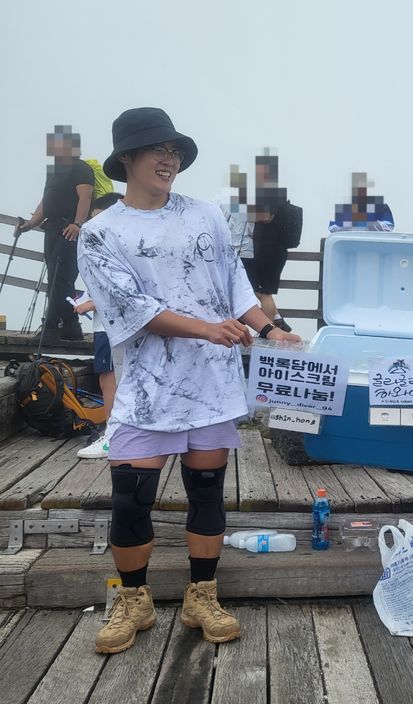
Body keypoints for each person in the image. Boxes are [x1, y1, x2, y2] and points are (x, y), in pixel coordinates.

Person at [77, 107, 300, 655]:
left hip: (213, 383)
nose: (169, 158)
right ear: (127, 158)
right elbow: (133, 308)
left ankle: (202, 593)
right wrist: (207, 328)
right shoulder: (101, 233)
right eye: (156, 149)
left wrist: (271, 328)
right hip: (148, 387)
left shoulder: (205, 214)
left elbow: (236, 282)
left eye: (174, 150)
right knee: (131, 497)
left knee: (207, 492)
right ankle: (134, 599)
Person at [16, 125, 94, 344]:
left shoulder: (81, 168)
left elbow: (85, 198)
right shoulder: (55, 170)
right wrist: (30, 224)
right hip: (51, 228)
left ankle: (50, 326)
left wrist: (77, 223)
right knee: (59, 279)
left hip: (68, 228)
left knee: (60, 279)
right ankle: (71, 326)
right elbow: (46, 201)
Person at [73, 192, 125, 459]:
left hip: (110, 325)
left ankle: (112, 436)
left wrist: (89, 304)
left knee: (109, 379)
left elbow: (115, 286)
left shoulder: (113, 244)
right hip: (113, 324)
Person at [240, 151, 295, 332]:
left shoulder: (267, 194)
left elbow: (265, 217)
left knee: (264, 293)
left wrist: (244, 213)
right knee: (259, 289)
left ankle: (268, 333)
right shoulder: (278, 193)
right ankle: (277, 321)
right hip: (275, 251)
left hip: (266, 251)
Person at [328, 172, 394, 232]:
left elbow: (390, 227)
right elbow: (332, 228)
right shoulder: (344, 208)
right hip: (349, 243)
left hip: (373, 242)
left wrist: (370, 222)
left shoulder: (381, 206)